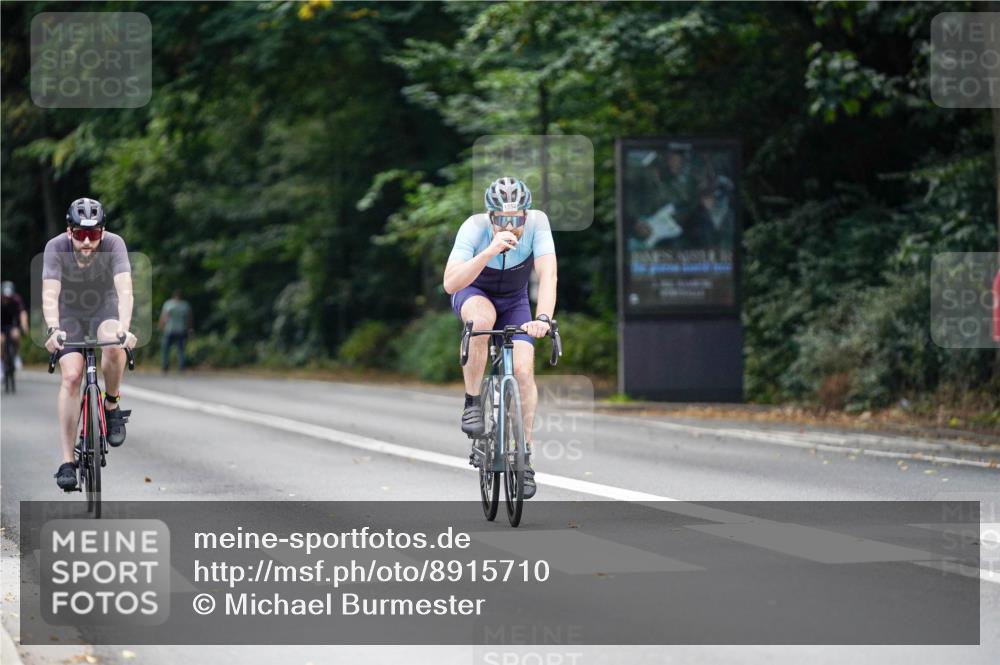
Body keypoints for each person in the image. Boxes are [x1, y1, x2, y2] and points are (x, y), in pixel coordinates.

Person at [443, 177, 557, 499]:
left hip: (514, 300)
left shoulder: (538, 223)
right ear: (491, 216)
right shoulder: (474, 228)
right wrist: (489, 250)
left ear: (526, 213)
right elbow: (451, 283)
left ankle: (525, 457)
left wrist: (543, 318)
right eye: (504, 219)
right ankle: (472, 401)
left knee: (522, 371)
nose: (512, 226)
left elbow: (548, 274)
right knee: (483, 320)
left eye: (517, 218)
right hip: (474, 291)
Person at [42, 197, 137, 491]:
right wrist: (54, 329)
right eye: (80, 234)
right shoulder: (55, 247)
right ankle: (67, 461)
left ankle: (111, 403)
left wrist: (124, 327)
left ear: (103, 231)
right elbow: (49, 293)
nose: (86, 241)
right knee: (71, 376)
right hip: (69, 312)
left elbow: (125, 290)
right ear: (69, 231)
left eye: (93, 234)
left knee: (113, 344)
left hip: (103, 308)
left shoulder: (114, 244)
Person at [159, 289, 192, 372]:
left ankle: (165, 366)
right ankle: (182, 366)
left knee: (166, 349)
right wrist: (189, 329)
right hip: (180, 330)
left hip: (169, 329)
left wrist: (161, 326)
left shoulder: (168, 304)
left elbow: (164, 316)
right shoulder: (185, 305)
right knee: (181, 349)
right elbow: (189, 319)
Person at [0, 280, 28, 375]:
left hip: (12, 324)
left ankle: (16, 355)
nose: (6, 299)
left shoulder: (16, 299)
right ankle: (1, 364)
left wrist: (24, 325)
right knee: (1, 340)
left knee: (16, 335)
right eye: (5, 297)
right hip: (1, 325)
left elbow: (22, 313)